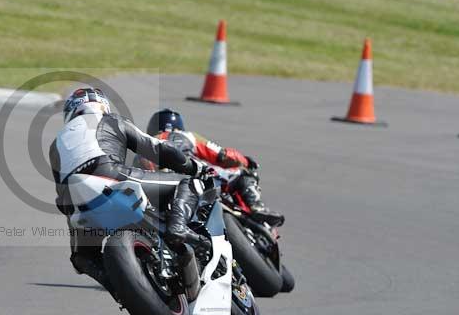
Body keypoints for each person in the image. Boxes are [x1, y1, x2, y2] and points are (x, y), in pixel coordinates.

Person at [49, 88, 209, 291]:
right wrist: (193, 166)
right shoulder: (112, 120)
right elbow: (158, 149)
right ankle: (178, 226)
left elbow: (61, 198)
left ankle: (116, 287)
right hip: (110, 173)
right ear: (102, 106)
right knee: (189, 182)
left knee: (82, 257)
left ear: (71, 112)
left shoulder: (55, 144)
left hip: (76, 199)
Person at [137, 108, 284, 228]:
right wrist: (245, 161)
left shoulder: (141, 148)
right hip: (196, 179)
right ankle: (256, 206)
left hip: (159, 195)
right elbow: (224, 156)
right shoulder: (185, 136)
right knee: (242, 173)